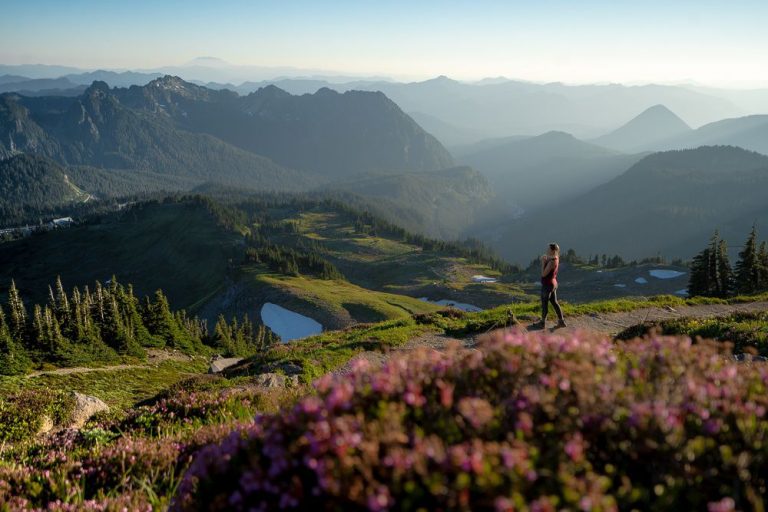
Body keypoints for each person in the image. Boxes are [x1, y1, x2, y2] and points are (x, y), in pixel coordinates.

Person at [534, 243, 566, 329]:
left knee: (545, 304)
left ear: (553, 251)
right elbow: (550, 258)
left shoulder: (551, 262)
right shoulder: (556, 258)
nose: (547, 250)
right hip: (553, 283)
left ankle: (542, 323)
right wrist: (545, 258)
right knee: (555, 303)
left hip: (547, 285)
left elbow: (544, 274)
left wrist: (543, 263)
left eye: (548, 249)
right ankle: (561, 321)